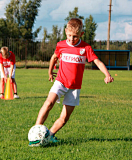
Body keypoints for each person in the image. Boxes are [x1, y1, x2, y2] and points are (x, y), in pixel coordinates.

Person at [29, 18, 114, 146]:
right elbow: (54, 57)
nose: (71, 39)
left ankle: (49, 135)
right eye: (69, 35)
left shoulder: (85, 47)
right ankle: (36, 131)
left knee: (64, 119)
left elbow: (97, 61)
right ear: (65, 32)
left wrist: (107, 74)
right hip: (60, 81)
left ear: (81, 34)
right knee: (48, 103)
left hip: (75, 87)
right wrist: (50, 71)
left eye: (75, 36)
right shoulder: (61, 45)